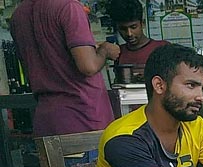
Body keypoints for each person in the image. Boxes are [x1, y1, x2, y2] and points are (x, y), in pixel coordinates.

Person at [10, 0, 120, 136]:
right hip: (83, 121)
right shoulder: (69, 8)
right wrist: (105, 51)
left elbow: (32, 70)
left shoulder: (19, 15)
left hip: (46, 121)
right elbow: (88, 66)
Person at [107, 0, 168, 81]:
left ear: (142, 23)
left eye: (133, 27)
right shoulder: (118, 52)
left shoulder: (163, 48)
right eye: (123, 29)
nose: (129, 33)